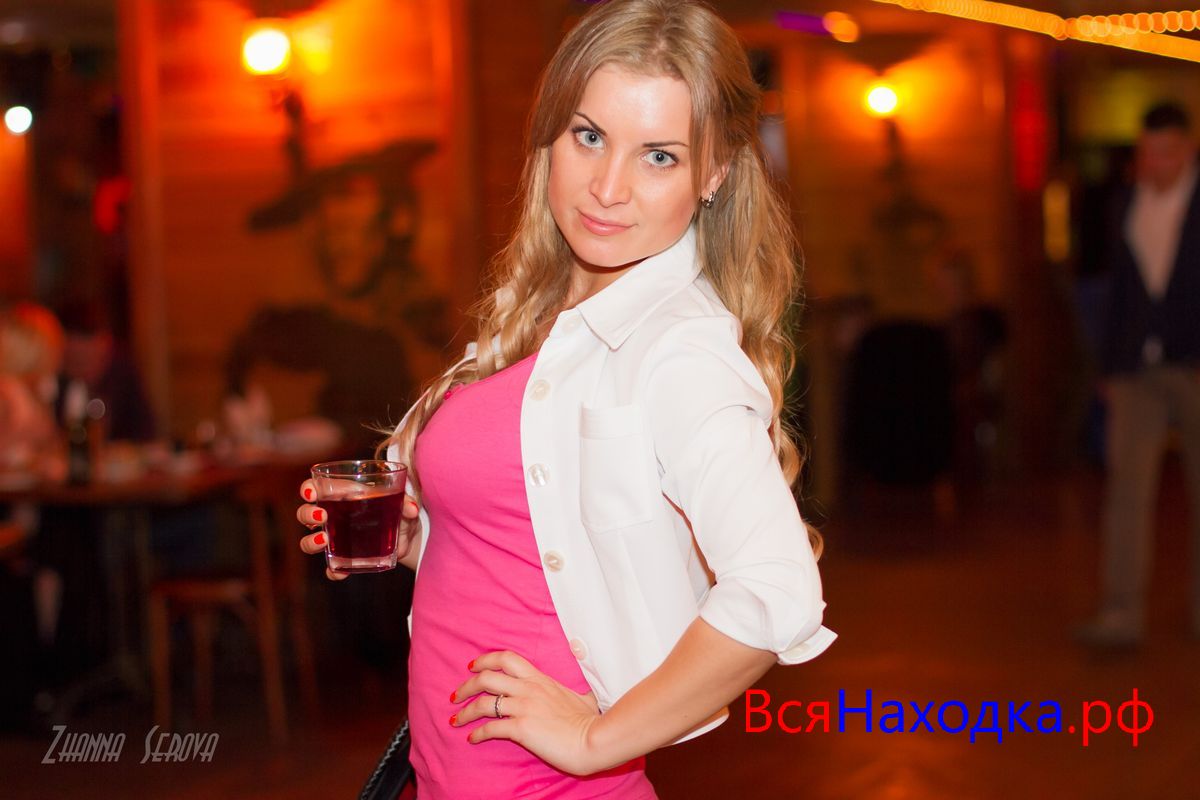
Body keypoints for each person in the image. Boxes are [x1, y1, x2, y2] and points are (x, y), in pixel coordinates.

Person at [297, 1, 835, 795]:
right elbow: (542, 543)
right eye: (589, 137)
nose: (608, 187)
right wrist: (420, 535)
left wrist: (594, 739)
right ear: (550, 134)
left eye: (659, 156)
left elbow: (777, 590)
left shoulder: (678, 350)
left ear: (714, 174)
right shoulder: (546, 321)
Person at [1077, 101, 1200, 648]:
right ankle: (1121, 613)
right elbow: (1119, 290)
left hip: (1194, 365)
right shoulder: (1126, 201)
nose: (1156, 163)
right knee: (1126, 491)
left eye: (1167, 152)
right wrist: (1108, 366)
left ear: (1188, 149)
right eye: (1148, 152)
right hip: (1135, 369)